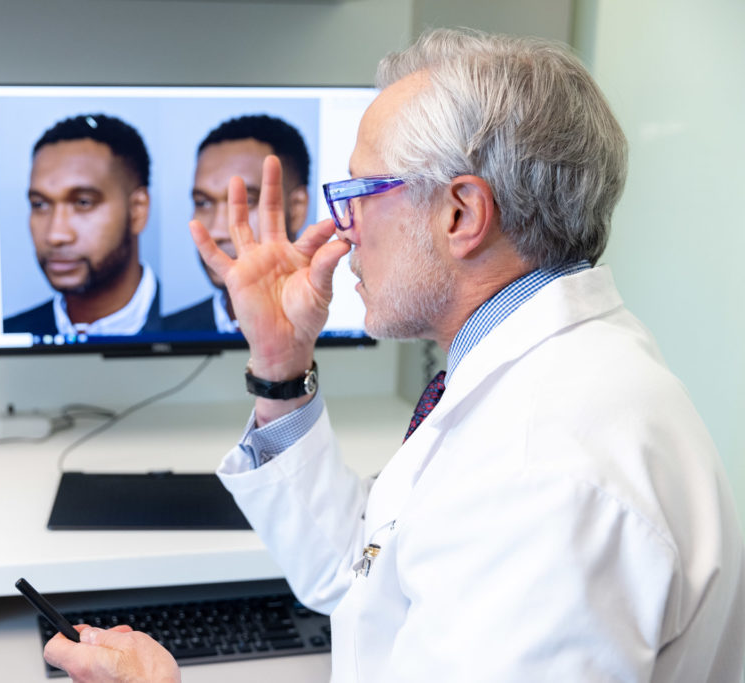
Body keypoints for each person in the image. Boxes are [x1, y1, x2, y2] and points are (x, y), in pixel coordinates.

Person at [43, 29, 745, 682]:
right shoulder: (532, 383)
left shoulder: (544, 472)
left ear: (461, 214)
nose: (340, 230)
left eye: (358, 192)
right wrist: (281, 369)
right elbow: (360, 578)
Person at [3, 113, 163, 338]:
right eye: (40, 204)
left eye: (83, 202)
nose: (56, 235)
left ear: (137, 211)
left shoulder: (198, 325)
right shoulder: (8, 336)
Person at [163, 114, 311, 333]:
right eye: (202, 202)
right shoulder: (170, 330)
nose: (216, 231)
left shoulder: (342, 319)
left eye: (247, 201)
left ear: (297, 209)